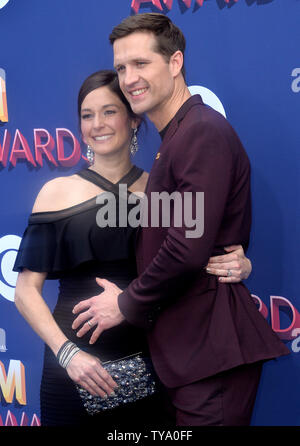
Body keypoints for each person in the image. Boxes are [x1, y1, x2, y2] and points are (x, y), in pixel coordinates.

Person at [72, 14, 290, 426]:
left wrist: (125, 303)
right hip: (189, 355)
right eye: (121, 67)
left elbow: (185, 250)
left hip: (209, 354)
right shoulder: (176, 138)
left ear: (175, 63)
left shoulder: (199, 133)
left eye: (141, 64)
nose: (129, 78)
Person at [13, 69, 249, 426]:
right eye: (87, 115)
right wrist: (69, 355)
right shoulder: (55, 192)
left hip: (152, 364)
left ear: (134, 119)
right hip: (72, 370)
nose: (97, 124)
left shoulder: (161, 191)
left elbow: (189, 258)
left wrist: (240, 264)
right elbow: (25, 292)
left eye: (109, 111)